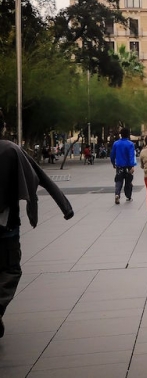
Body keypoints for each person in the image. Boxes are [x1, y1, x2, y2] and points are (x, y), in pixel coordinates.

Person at [0, 110, 74, 338]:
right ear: (3, 127)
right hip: (6, 225)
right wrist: (65, 207)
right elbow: (38, 175)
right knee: (9, 269)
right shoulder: (10, 149)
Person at [110, 128, 136, 204]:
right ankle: (128, 196)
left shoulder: (116, 143)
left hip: (119, 165)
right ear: (128, 134)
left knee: (118, 180)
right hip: (128, 166)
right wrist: (132, 166)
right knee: (128, 181)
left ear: (120, 134)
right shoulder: (130, 144)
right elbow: (131, 156)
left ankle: (117, 194)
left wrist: (113, 163)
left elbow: (112, 155)